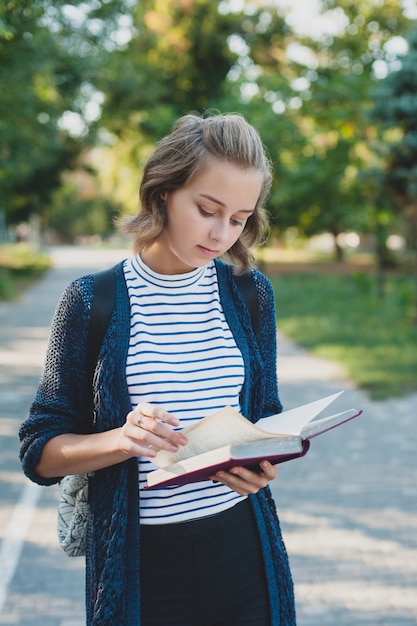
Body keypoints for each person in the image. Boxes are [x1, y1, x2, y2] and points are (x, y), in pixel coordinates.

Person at [19, 112, 296, 626]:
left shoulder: (251, 294)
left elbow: (265, 417)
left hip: (242, 552)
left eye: (238, 218)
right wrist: (122, 440)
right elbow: (40, 453)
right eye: (207, 209)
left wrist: (261, 463)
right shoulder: (91, 300)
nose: (221, 234)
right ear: (164, 192)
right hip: (141, 567)